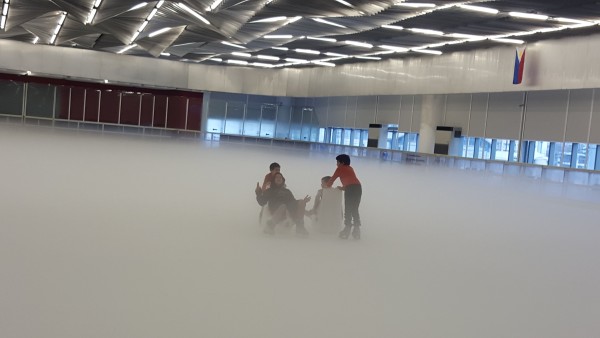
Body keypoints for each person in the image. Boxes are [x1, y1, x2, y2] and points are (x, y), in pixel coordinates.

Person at [326, 154, 362, 239]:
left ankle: (347, 228)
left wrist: (327, 186)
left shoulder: (340, 169)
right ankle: (357, 229)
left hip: (350, 189)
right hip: (358, 188)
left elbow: (332, 179)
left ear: (342, 162)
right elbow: (351, 181)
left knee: (348, 209)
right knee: (354, 209)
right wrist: (342, 188)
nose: (336, 164)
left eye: (337, 162)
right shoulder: (350, 168)